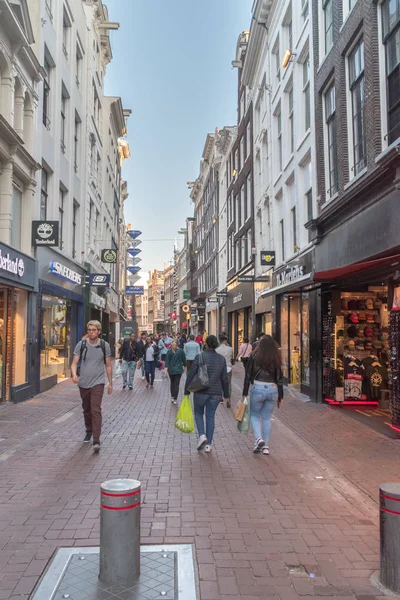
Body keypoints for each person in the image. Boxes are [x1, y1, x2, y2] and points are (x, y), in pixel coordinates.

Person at [71, 320, 112, 453]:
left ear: (99, 331)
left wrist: (110, 383)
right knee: (87, 409)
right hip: (83, 383)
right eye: (89, 330)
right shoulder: (81, 344)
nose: (91, 332)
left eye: (94, 330)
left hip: (98, 382)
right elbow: (74, 362)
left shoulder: (104, 346)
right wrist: (73, 374)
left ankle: (96, 440)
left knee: (95, 409)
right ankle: (88, 430)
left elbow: (108, 365)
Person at [185, 335, 229, 454]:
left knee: (198, 413)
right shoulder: (221, 359)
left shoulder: (200, 357)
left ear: (206, 344)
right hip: (215, 393)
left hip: (201, 391)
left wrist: (186, 389)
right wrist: (226, 394)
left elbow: (191, 373)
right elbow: (224, 378)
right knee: (210, 416)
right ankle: (208, 445)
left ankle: (202, 435)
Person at [243, 335, 283, 455]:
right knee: (266, 417)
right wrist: (280, 396)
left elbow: (248, 374)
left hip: (258, 387)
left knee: (254, 415)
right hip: (273, 389)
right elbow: (279, 378)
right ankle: (265, 446)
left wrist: (245, 392)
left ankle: (258, 438)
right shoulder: (276, 357)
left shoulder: (254, 356)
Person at [216, 334, 233, 407]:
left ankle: (221, 398)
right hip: (228, 368)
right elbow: (231, 357)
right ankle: (228, 399)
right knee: (228, 384)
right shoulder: (230, 349)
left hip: (219, 368)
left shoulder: (216, 350)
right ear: (225, 341)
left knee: (220, 383)